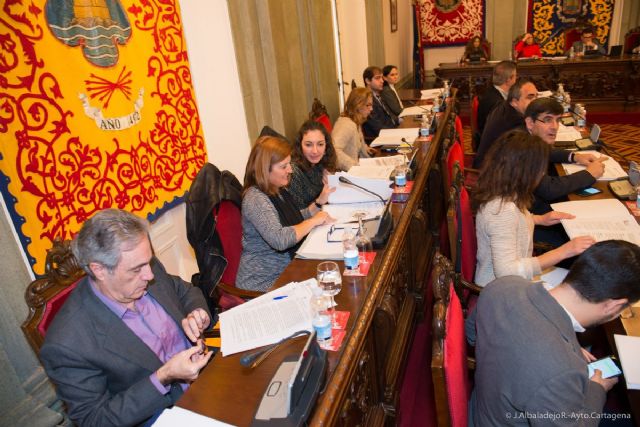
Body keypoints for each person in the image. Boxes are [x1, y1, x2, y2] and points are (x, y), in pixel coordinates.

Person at [40, 209, 214, 426]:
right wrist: (164, 376)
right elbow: (95, 420)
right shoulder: (67, 343)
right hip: (162, 414)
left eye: (148, 262)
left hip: (208, 375)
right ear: (99, 270)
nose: (149, 275)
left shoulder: (143, 264)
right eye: (136, 270)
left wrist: (197, 313)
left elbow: (184, 290)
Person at [466, 240, 640, 425]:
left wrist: (562, 347)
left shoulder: (503, 285)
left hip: (482, 407)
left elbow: (472, 335)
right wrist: (597, 389)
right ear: (614, 306)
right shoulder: (562, 371)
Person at [472, 130, 595, 286]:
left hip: (513, 282)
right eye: (541, 169)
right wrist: (564, 251)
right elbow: (507, 272)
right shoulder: (502, 211)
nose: (542, 173)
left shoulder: (504, 192)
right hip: (502, 290)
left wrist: (539, 219)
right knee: (584, 285)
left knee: (583, 282)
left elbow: (511, 224)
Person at [236, 136, 332, 291]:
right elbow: (279, 239)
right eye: (284, 166)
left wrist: (318, 204)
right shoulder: (255, 198)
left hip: (288, 270)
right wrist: (313, 221)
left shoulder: (276, 188)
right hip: (264, 282)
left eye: (289, 164)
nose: (290, 170)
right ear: (265, 169)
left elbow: (292, 218)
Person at [524, 97, 606, 215]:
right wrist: (589, 174)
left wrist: (575, 156)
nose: (555, 126)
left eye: (557, 120)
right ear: (530, 123)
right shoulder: (523, 149)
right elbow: (549, 189)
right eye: (547, 120)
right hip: (533, 215)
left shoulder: (529, 138)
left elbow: (549, 152)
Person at [473, 79, 538, 168]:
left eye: (536, 97)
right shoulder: (516, 122)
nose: (535, 101)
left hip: (493, 162)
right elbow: (535, 151)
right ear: (515, 102)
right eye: (530, 97)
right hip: (492, 170)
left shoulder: (503, 105)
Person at [288, 120, 337, 210]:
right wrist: (319, 201)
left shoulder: (321, 165)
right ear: (300, 146)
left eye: (320, 144)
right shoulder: (293, 172)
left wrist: (332, 182)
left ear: (326, 146)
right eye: (308, 145)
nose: (315, 151)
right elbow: (297, 214)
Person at [332, 87, 376, 171]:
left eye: (371, 105)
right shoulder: (346, 125)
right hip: (347, 173)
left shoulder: (355, 121)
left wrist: (366, 149)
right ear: (357, 105)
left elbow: (357, 143)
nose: (371, 109)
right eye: (368, 105)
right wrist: (355, 167)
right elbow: (334, 151)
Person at [476, 60, 517, 144]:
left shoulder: (493, 91)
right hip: (494, 144)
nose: (516, 80)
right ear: (508, 80)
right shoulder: (496, 103)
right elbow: (503, 130)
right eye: (515, 76)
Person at [362, 65, 400, 139]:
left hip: (392, 130)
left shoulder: (378, 95)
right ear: (368, 81)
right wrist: (397, 132)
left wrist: (400, 121)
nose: (382, 81)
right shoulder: (366, 101)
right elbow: (378, 128)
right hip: (380, 138)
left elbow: (390, 115)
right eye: (377, 78)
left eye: (382, 78)